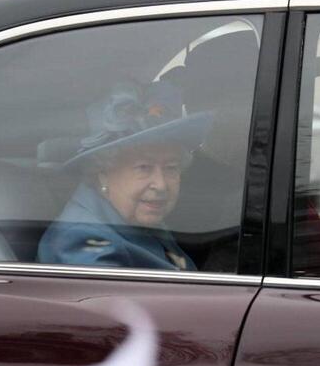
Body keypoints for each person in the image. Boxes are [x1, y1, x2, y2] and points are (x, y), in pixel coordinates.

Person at [37, 81, 212, 270]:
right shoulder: (83, 243)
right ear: (103, 172)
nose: (161, 185)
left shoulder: (132, 217)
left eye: (171, 168)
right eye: (144, 167)